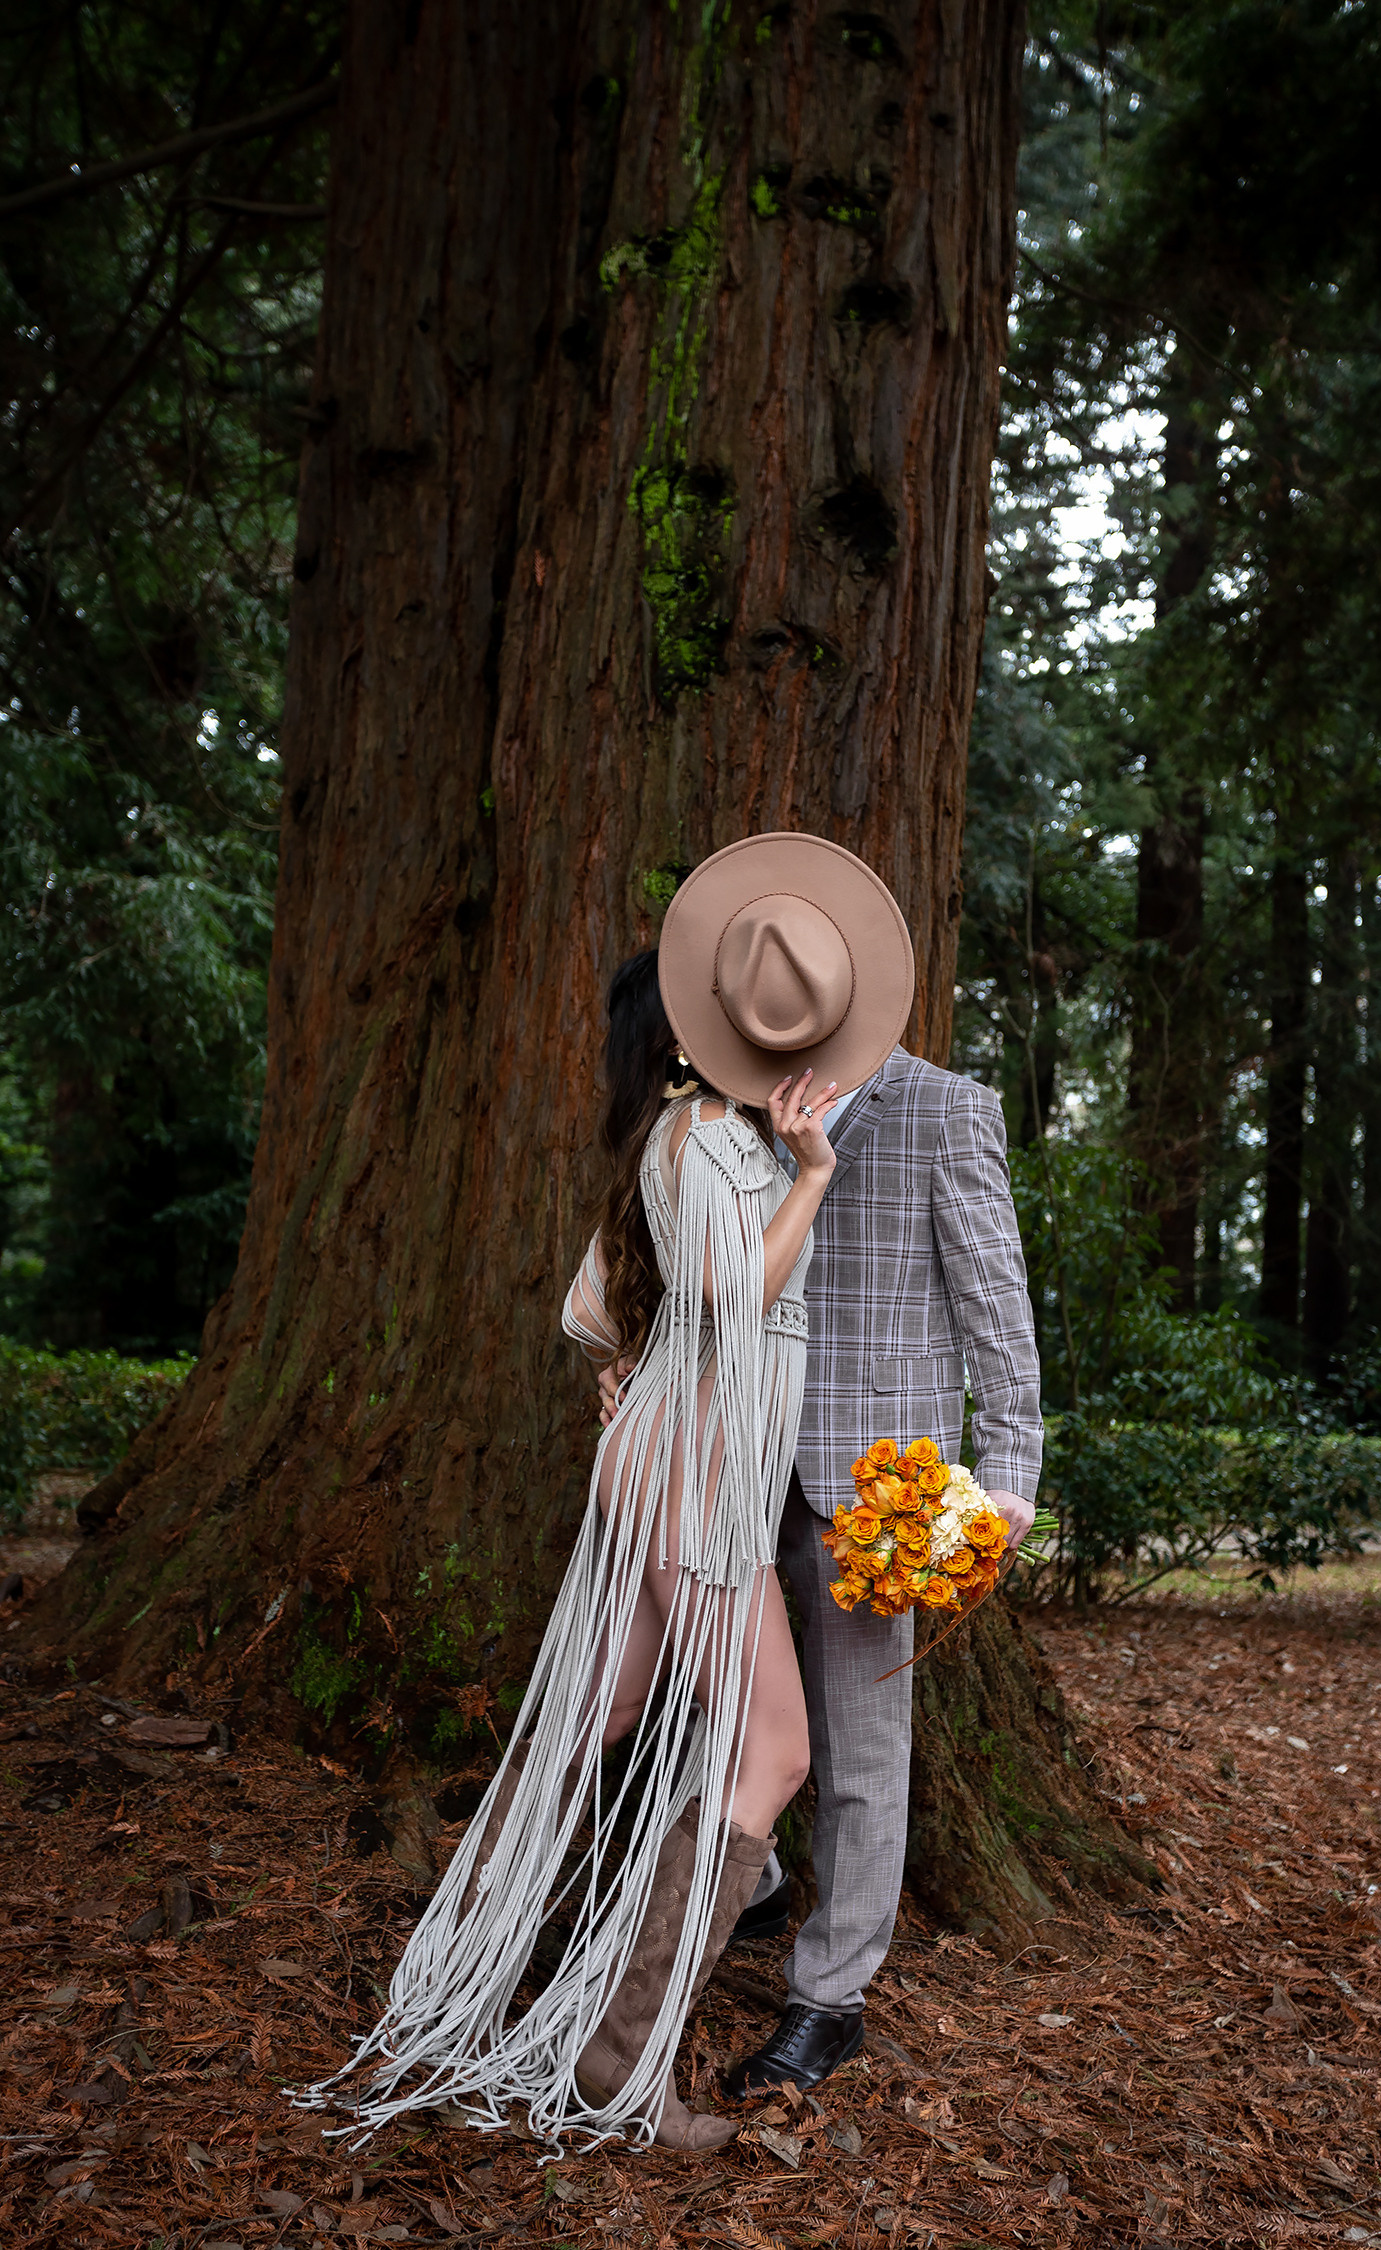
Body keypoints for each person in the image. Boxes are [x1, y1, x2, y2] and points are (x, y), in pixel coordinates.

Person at [297, 833, 916, 2151]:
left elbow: (597, 1307)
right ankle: (617, 2055)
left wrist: (637, 1364)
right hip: (697, 1467)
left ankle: (452, 1972)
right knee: (780, 1748)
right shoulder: (703, 1141)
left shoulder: (704, 1140)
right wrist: (811, 1177)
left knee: (605, 1704)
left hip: (692, 1453)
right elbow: (737, 1296)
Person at [604, 841, 1044, 2103]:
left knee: (860, 1748)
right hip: (727, 1463)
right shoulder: (722, 1109)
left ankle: (828, 1996)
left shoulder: (945, 1109)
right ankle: (758, 1878)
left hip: (877, 1489)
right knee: (711, 1712)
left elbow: (1000, 1317)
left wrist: (1006, 1477)